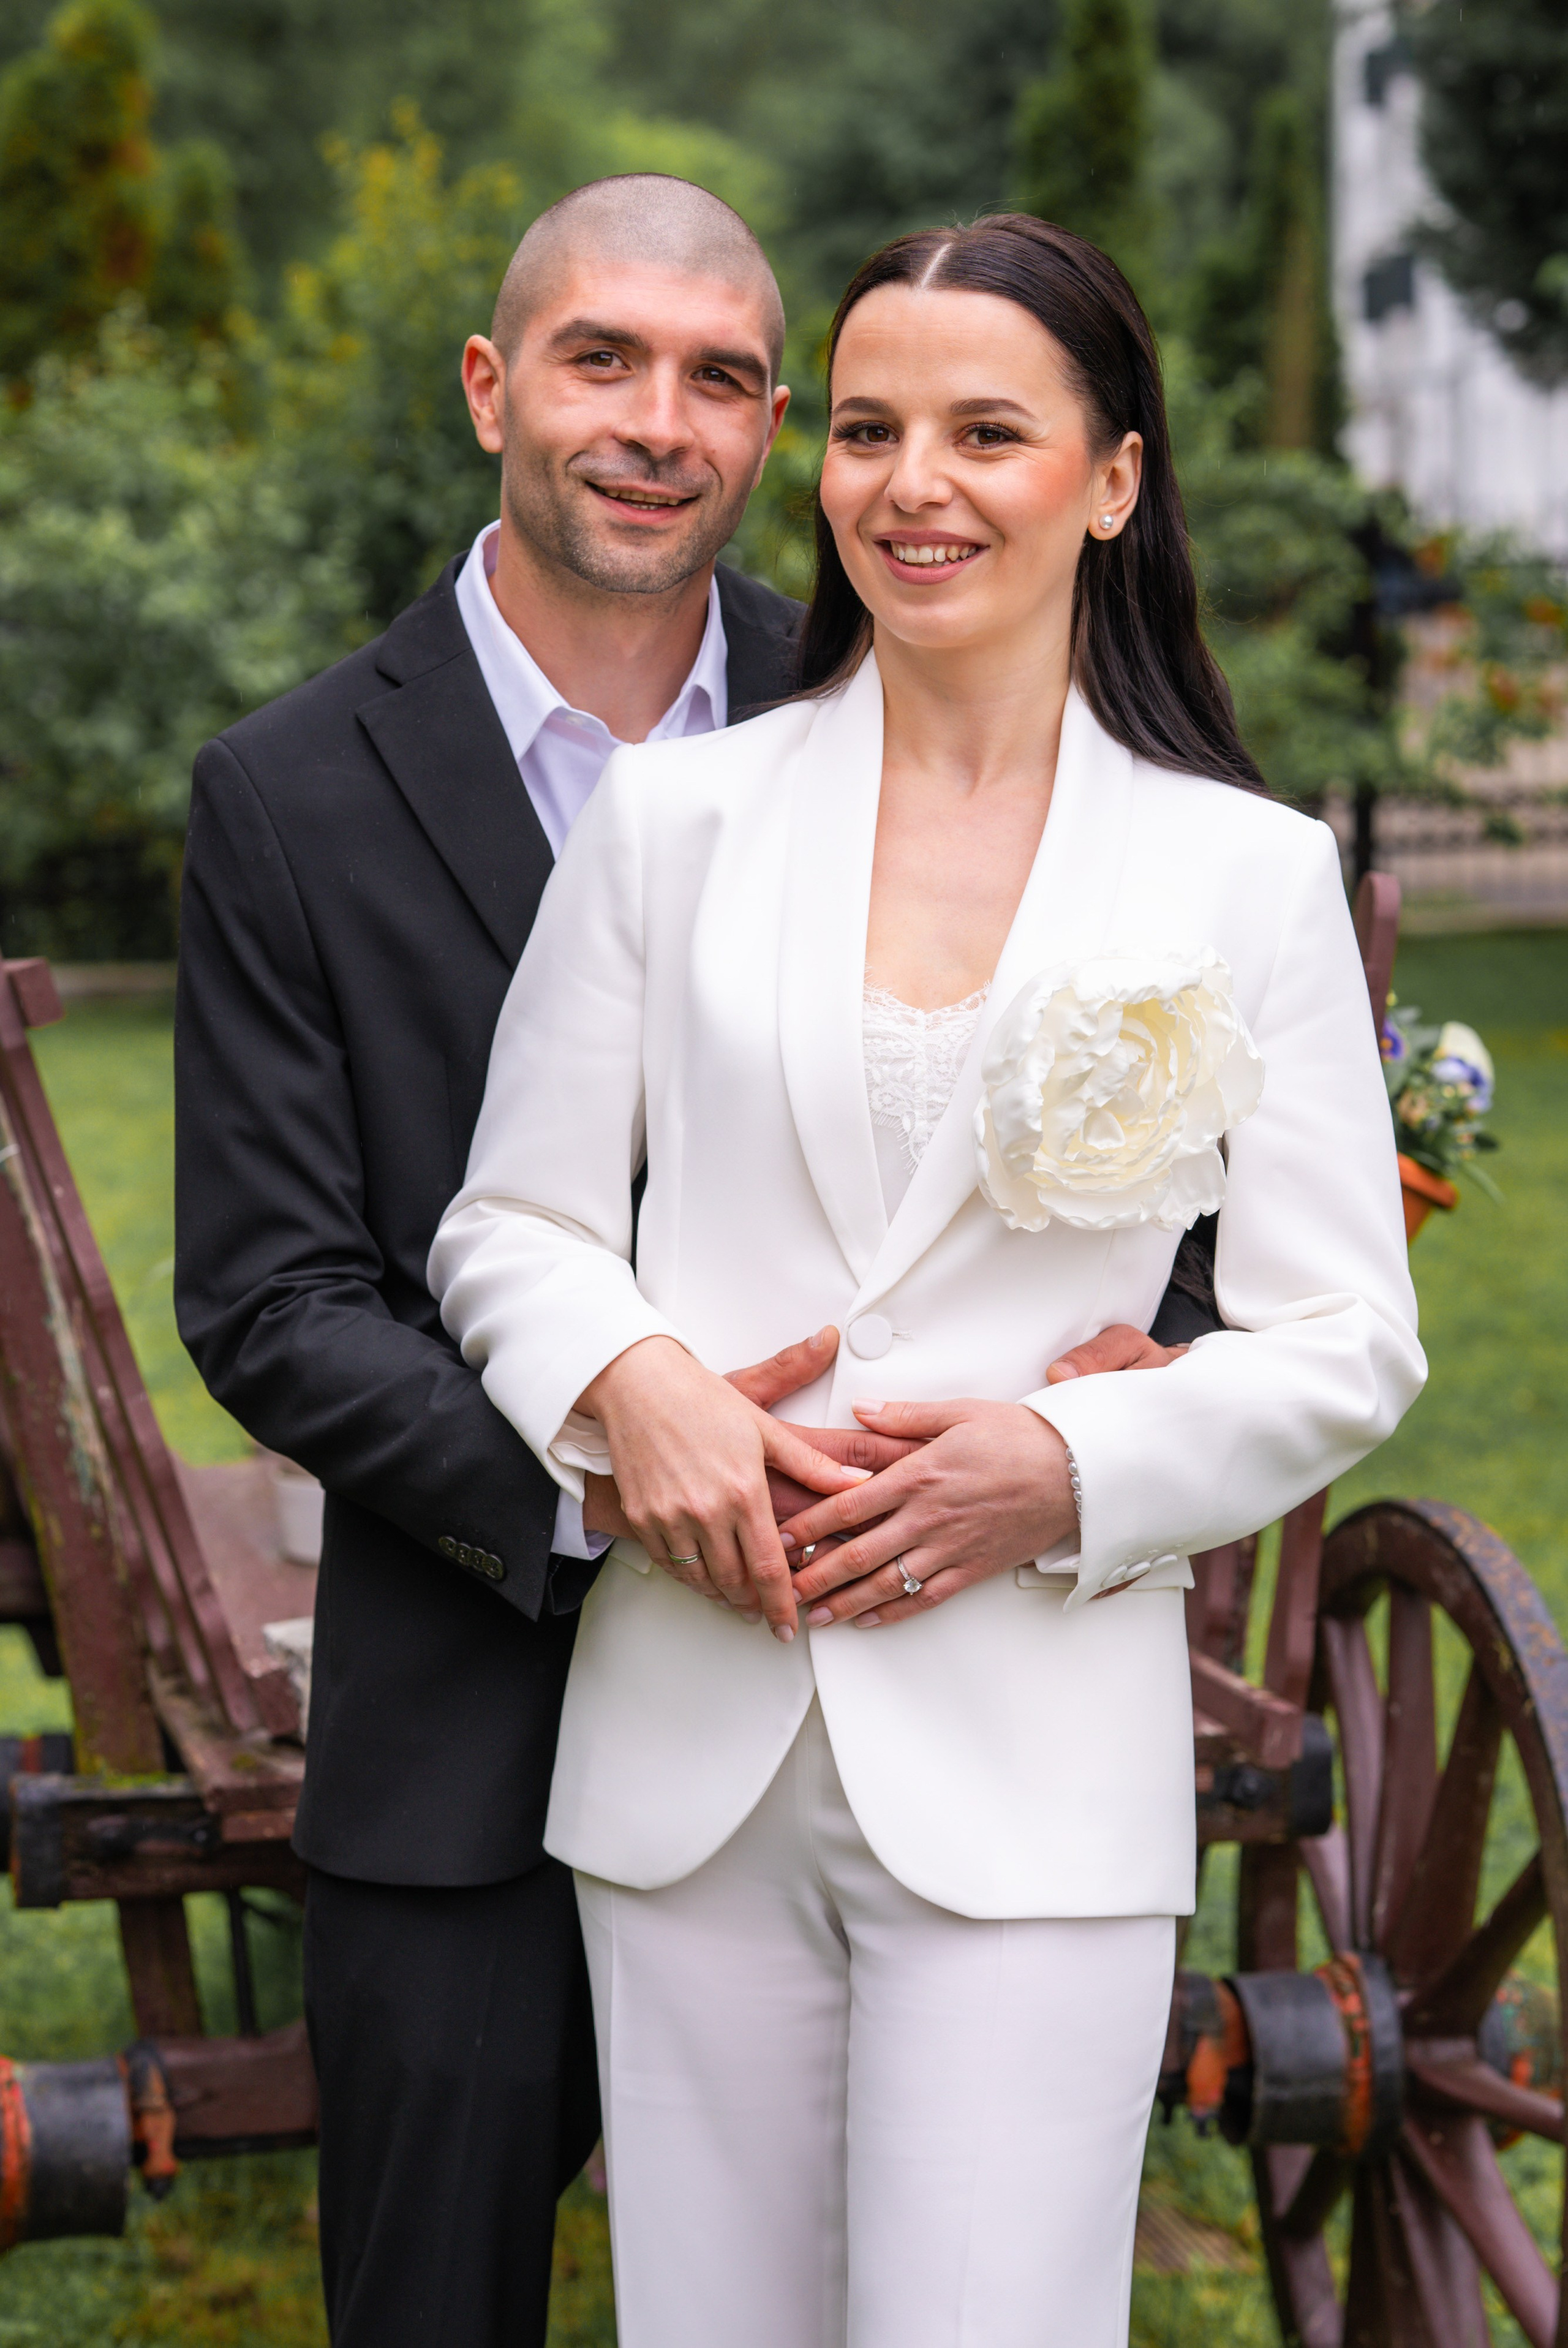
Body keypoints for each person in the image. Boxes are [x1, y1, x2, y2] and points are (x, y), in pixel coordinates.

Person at [430, 213, 1427, 2348]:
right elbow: (506, 1225)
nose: (916, 483)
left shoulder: (1241, 871)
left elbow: (1347, 1333)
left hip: (1031, 1745)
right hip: (692, 1741)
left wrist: (1068, 1460)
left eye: (991, 430)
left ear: (1117, 476)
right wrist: (641, 1387)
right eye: (869, 428)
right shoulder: (673, 824)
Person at [173, 174, 907, 2348]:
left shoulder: (887, 713)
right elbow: (276, 1295)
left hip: (856, 1680)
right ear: (495, 384)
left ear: (773, 426)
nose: (654, 421)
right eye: (602, 358)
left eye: (716, 378)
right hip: (471, 1703)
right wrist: (605, 1474)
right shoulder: (290, 792)